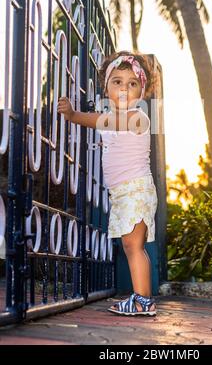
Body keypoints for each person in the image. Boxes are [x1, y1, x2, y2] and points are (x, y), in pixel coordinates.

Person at [57, 51, 158, 316]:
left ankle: (142, 301)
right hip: (123, 192)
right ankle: (143, 300)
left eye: (132, 83)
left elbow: (105, 121)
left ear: (141, 93)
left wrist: (74, 115)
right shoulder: (112, 118)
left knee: (134, 247)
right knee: (131, 246)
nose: (125, 87)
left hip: (136, 189)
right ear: (106, 87)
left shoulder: (138, 117)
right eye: (117, 81)